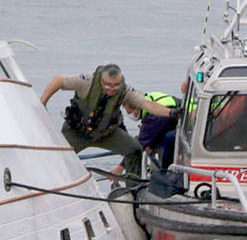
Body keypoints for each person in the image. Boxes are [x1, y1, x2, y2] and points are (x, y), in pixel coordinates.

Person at [40, 64, 176, 177]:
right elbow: (58, 80)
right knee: (58, 158)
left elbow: (148, 105)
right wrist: (42, 103)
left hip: (105, 133)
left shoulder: (125, 90)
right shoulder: (86, 81)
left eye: (115, 85)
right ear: (101, 80)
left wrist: (171, 112)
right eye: (107, 85)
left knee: (134, 149)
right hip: (76, 132)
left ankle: (134, 188)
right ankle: (49, 183)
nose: (111, 89)